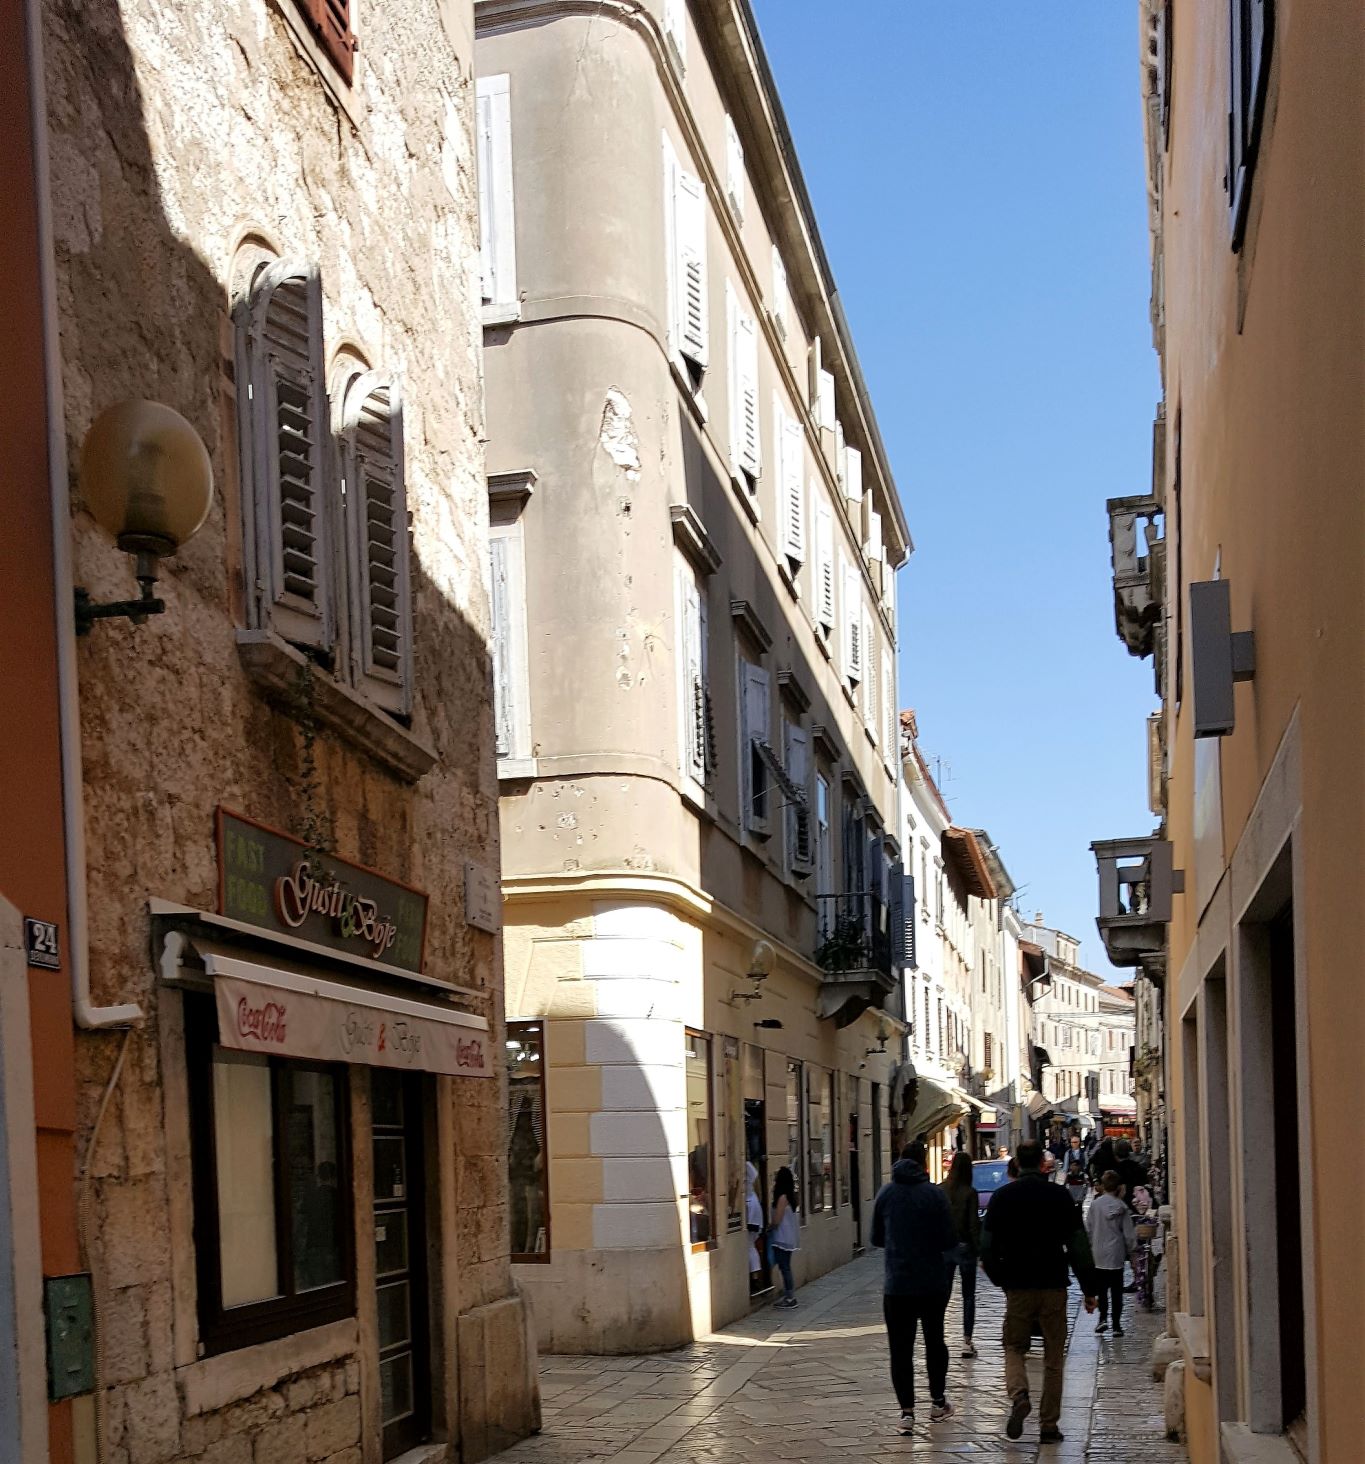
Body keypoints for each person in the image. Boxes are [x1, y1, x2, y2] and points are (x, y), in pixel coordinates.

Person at [981, 1139, 1098, 1444]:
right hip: (1053, 1283)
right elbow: (1078, 1245)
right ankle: (1048, 1425)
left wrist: (1001, 1279)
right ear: (1043, 1165)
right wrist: (1089, 1288)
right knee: (1054, 1357)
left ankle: (1019, 1394)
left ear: (1018, 1164)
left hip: (1018, 1285)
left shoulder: (1002, 1197)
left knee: (1014, 1346)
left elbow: (986, 1246)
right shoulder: (1059, 1196)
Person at [871, 1140, 959, 1433]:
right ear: (924, 1163)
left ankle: (906, 1413)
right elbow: (949, 1239)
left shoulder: (886, 1193)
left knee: (900, 1350)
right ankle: (937, 1403)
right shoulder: (934, 1195)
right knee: (935, 1343)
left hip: (897, 1284)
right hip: (931, 1282)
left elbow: (876, 1238)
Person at [941, 1151, 982, 1357]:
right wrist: (980, 1251)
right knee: (968, 1295)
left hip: (944, 1248)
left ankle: (938, 1335)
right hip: (965, 1247)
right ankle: (966, 1341)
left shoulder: (940, 1189)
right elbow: (973, 1225)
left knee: (943, 1294)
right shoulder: (970, 1192)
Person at [1086, 1170, 1136, 1334]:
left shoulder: (1095, 1205)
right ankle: (1116, 1325)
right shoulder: (1121, 1207)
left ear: (1103, 1186)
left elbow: (1089, 1228)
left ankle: (1102, 1319)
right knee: (1116, 1291)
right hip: (1116, 1253)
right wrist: (1132, 1249)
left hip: (1099, 1252)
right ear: (1118, 1187)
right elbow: (1128, 1233)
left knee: (1102, 1290)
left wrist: (1090, 1247)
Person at [769, 1167, 800, 1309]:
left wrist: (769, 1227)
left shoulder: (782, 1198)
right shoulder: (790, 1196)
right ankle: (789, 1295)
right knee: (785, 1266)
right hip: (787, 1238)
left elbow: (777, 1220)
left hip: (781, 1238)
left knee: (785, 1267)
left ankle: (790, 1297)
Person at [745, 1163, 766, 1290]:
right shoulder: (752, 1194)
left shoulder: (750, 1195)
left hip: (752, 1217)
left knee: (750, 1247)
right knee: (751, 1247)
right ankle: (755, 1277)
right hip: (753, 1216)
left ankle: (755, 1278)